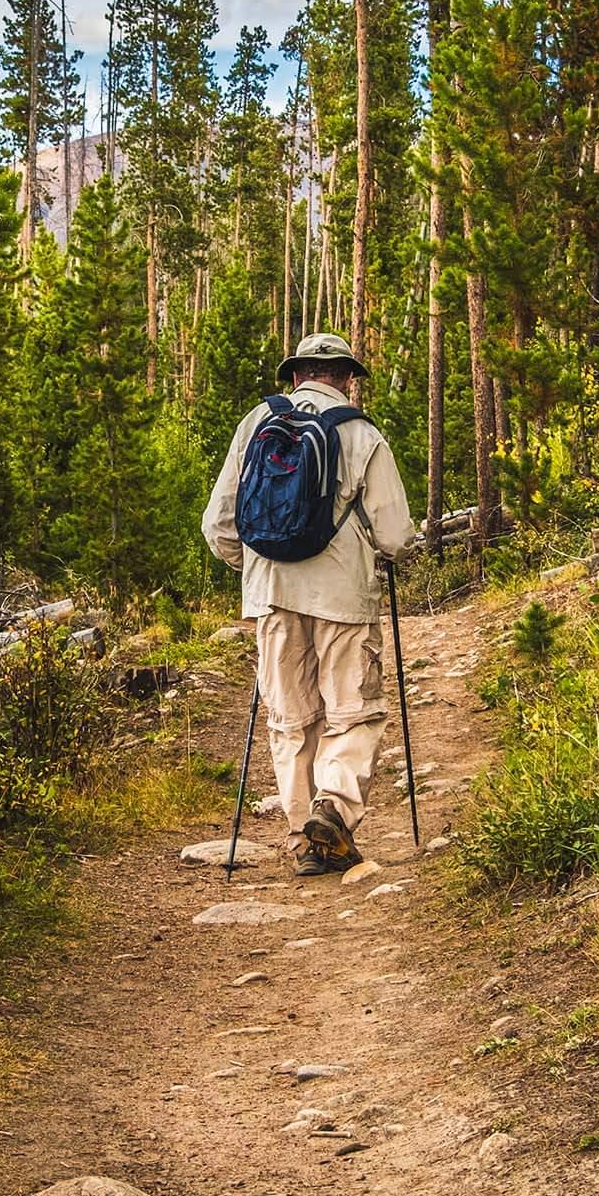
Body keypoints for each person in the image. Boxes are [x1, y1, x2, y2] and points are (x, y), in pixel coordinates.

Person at [201, 332, 415, 876]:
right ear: (347, 378)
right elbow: (394, 535)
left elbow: (219, 526)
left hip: (270, 594)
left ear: (295, 375)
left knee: (290, 719)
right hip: (343, 595)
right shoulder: (363, 434)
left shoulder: (256, 424)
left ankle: (303, 840)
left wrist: (255, 569)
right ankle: (334, 811)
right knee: (353, 710)